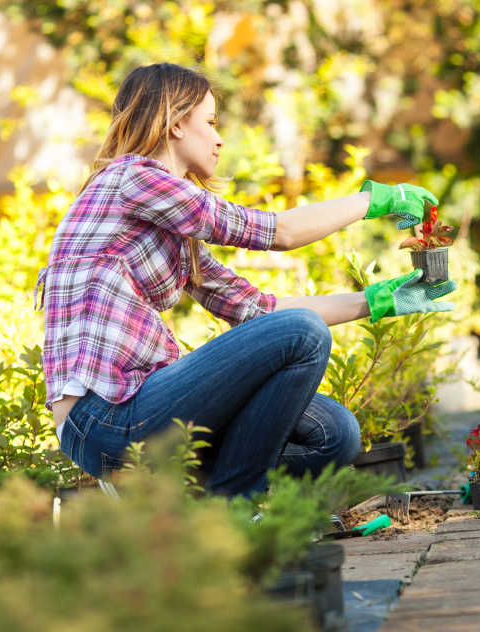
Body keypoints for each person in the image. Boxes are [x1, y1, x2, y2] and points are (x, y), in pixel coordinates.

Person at [35, 62, 456, 498]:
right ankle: (237, 508)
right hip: (102, 418)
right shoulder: (133, 179)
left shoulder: (174, 230)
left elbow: (257, 311)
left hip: (141, 409)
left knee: (335, 434)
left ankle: (212, 507)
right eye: (210, 122)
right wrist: (375, 200)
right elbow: (280, 232)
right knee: (304, 332)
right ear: (176, 123)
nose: (219, 138)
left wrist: (378, 300)